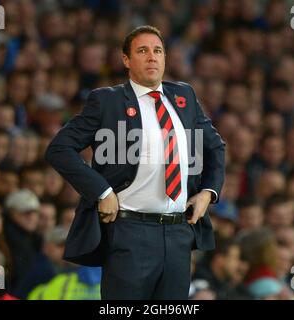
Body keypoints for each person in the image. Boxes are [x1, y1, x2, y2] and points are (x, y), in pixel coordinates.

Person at [45, 25, 226, 299]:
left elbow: (215, 148)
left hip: (179, 232)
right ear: (126, 60)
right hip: (130, 231)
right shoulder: (107, 101)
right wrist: (101, 191)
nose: (152, 57)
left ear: (165, 58)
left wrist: (208, 193)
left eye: (158, 51)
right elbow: (59, 149)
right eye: (142, 51)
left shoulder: (184, 96)